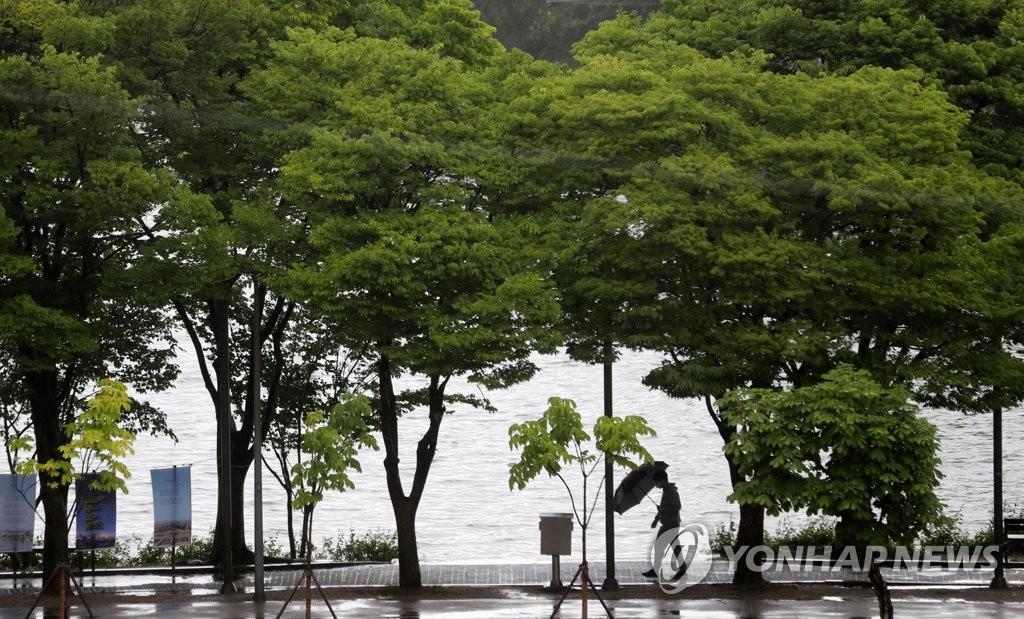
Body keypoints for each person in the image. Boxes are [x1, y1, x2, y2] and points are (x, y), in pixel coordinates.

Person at [642, 469, 686, 580]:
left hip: (670, 524)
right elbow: (664, 507)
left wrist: (663, 509)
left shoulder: (671, 491)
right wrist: (656, 519)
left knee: (659, 546)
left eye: (657, 482)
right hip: (669, 523)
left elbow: (677, 507)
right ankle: (682, 569)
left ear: (663, 480)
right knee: (675, 547)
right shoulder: (666, 491)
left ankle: (657, 570)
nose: (657, 484)